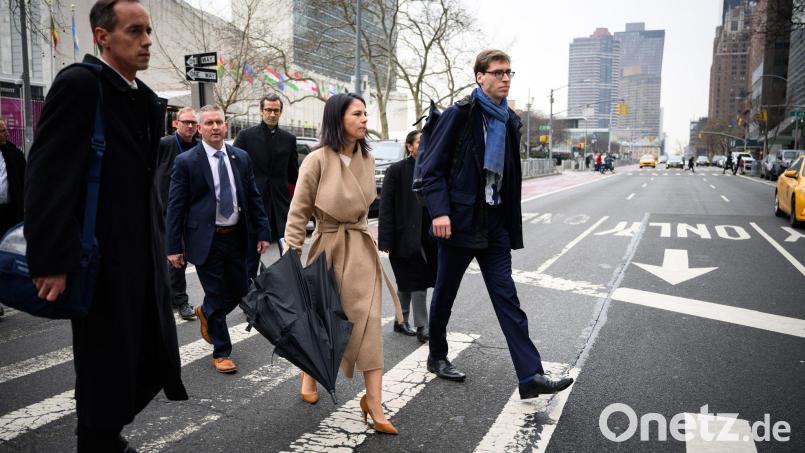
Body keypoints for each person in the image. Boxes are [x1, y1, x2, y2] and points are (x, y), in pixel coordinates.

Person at [24, 1, 188, 450]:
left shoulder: (143, 99)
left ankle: (104, 436)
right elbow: (47, 176)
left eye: (149, 31)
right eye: (135, 31)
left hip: (141, 257)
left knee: (142, 357)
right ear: (102, 37)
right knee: (104, 367)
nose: (147, 40)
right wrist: (51, 259)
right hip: (98, 259)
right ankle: (99, 441)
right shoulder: (81, 85)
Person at [418, 49, 574, 399]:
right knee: (444, 294)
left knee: (507, 298)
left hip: (493, 224)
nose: (505, 78)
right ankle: (437, 355)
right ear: (480, 77)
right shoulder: (459, 115)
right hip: (458, 222)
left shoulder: (509, 120)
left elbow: (509, 176)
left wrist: (506, 219)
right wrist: (440, 212)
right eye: (498, 72)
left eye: (509, 73)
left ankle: (530, 376)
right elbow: (431, 169)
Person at [284, 93, 404, 434]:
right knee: (323, 318)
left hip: (362, 249)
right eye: (357, 114)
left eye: (366, 113)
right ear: (339, 119)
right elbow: (299, 209)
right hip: (328, 247)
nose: (365, 119)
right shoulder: (317, 159)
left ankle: (374, 402)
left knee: (366, 323)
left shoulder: (368, 157)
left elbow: (368, 207)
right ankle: (308, 375)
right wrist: (292, 252)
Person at [166, 104, 269, 374]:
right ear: (199, 129)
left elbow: (253, 197)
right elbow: (175, 207)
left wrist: (262, 232)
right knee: (215, 291)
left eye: (219, 122)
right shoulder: (187, 162)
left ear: (226, 126)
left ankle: (206, 313)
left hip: (237, 238)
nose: (215, 127)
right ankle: (221, 351)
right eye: (208, 123)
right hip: (205, 240)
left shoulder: (241, 158)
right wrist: (173, 246)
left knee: (238, 290)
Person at [378, 130, 436, 343]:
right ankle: (423, 326)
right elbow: (385, 207)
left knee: (407, 280)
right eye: (420, 142)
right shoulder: (397, 170)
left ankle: (400, 321)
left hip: (429, 237)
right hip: (403, 237)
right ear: (409, 146)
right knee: (418, 280)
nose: (424, 146)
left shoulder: (432, 168)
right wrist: (385, 240)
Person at [233, 93, 298, 278]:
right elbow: (236, 170)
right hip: (255, 201)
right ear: (261, 111)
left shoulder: (289, 139)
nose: (272, 114)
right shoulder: (245, 136)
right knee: (252, 253)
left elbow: (294, 175)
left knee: (288, 251)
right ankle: (249, 294)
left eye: (276, 110)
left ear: (280, 112)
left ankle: (291, 291)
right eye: (268, 110)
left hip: (281, 203)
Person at [159, 107, 199, 321]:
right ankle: (179, 300)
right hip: (165, 210)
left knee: (180, 258)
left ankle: (178, 299)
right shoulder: (164, 145)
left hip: (192, 211)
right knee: (173, 257)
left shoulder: (200, 148)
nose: (190, 126)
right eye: (186, 122)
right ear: (176, 123)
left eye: (193, 123)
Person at [0, 119, 25, 236]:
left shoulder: (14, 154)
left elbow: (23, 181)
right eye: (2, 131)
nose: (7, 134)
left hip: (9, 212)